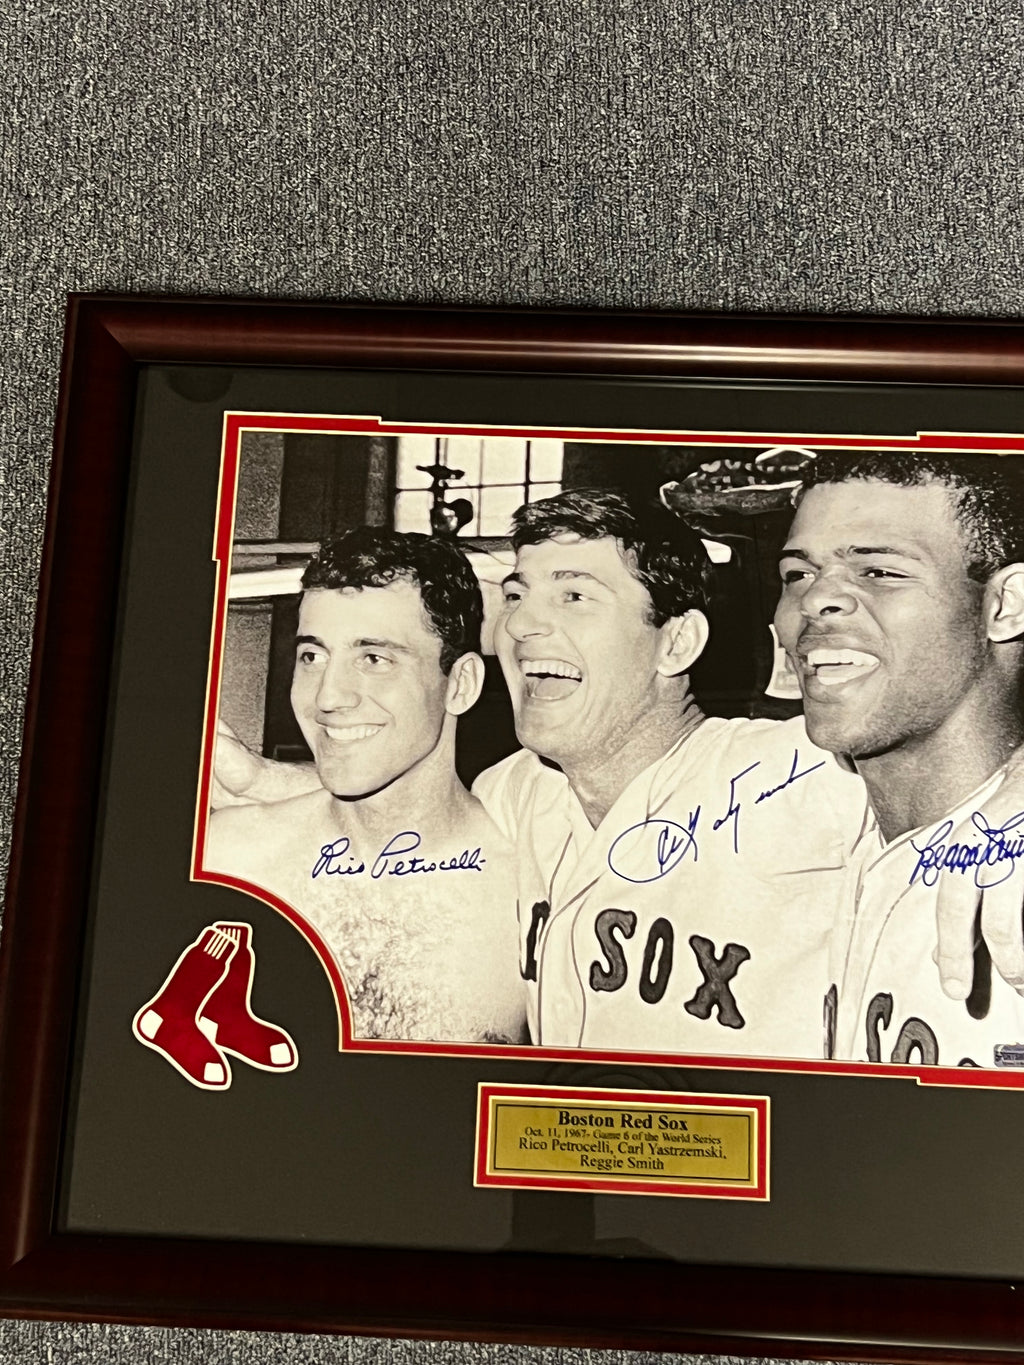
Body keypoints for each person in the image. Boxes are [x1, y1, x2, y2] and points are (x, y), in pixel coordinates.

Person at [473, 488, 866, 1057]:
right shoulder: (507, 793)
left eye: (575, 595)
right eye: (516, 595)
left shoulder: (804, 772)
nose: (521, 625)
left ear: (676, 643)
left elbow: (968, 777)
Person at [205, 529, 526, 1046]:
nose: (327, 697)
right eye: (312, 656)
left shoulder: (532, 885)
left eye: (374, 658)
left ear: (461, 684)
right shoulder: (232, 856)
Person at [775, 452, 1024, 1066]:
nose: (815, 602)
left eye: (879, 571)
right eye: (796, 574)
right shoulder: (803, 793)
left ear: (1004, 606)